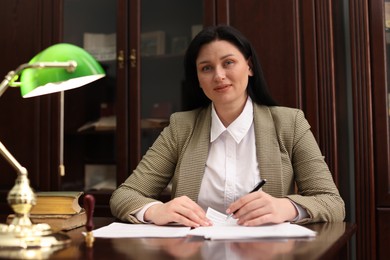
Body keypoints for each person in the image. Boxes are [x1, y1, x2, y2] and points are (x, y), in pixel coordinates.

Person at [110, 25, 345, 227]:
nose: (219, 76)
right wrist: (154, 211)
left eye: (228, 62)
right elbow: (124, 195)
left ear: (249, 67)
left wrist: (287, 207)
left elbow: (332, 203)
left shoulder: (289, 123)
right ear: (198, 79)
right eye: (206, 68)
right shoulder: (181, 127)